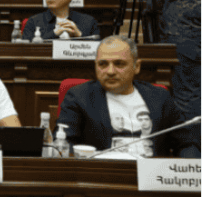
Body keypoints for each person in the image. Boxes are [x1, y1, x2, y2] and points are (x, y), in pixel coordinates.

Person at [57, 36, 199, 158]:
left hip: (151, 175)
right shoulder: (79, 96)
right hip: (103, 174)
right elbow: (63, 142)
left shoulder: (159, 97)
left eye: (119, 64)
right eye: (103, 64)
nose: (110, 71)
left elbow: (186, 143)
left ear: (136, 66)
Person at [22, 0, 100, 41]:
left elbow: (98, 51)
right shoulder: (33, 22)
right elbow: (26, 50)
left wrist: (80, 36)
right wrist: (54, 33)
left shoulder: (89, 22)